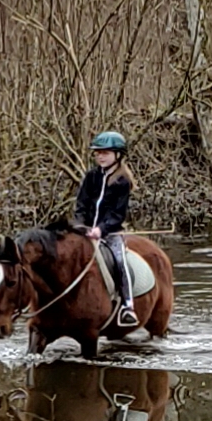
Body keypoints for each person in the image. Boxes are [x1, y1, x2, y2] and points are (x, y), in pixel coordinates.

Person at [74, 131, 139, 327]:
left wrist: (101, 230)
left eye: (106, 153)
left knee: (120, 261)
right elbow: (81, 205)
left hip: (110, 234)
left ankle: (128, 306)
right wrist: (80, 225)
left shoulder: (122, 182)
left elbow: (117, 215)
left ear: (118, 155)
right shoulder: (91, 177)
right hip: (85, 232)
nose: (101, 156)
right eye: (98, 153)